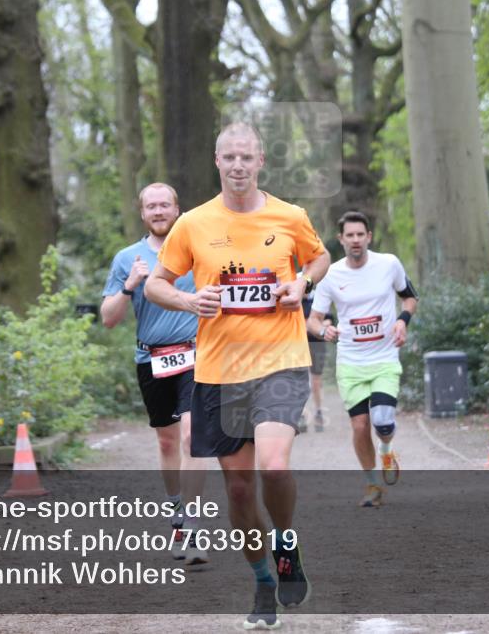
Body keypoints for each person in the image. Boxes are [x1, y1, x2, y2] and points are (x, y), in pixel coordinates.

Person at [145, 123, 330, 630]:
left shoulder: (289, 216)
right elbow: (158, 285)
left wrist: (301, 282)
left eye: (247, 157)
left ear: (261, 160)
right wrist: (188, 299)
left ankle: (286, 545)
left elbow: (319, 258)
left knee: (273, 466)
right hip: (220, 372)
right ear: (217, 161)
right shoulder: (192, 223)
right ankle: (262, 581)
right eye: (230, 157)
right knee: (242, 492)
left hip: (280, 362)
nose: (239, 165)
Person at [101, 182, 209, 565]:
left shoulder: (198, 249)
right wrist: (130, 286)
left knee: (193, 436)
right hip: (152, 359)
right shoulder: (127, 258)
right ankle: (178, 512)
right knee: (167, 443)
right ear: (142, 213)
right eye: (152, 206)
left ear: (178, 209)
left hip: (196, 356)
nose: (159, 211)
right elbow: (109, 319)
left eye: (165, 204)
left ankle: (195, 524)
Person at [307, 211, 418, 508]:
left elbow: (410, 297)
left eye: (360, 234)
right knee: (358, 426)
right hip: (350, 362)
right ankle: (372, 485)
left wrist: (402, 321)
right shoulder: (331, 274)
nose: (355, 240)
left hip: (383, 356)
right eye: (350, 235)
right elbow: (313, 320)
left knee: (382, 420)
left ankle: (386, 448)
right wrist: (325, 330)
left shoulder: (389, 264)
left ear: (369, 237)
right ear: (341, 239)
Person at [299, 292, 331, 433]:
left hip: (317, 344)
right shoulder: (294, 299)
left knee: (316, 382)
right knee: (299, 382)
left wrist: (312, 327)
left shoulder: (319, 299)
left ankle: (318, 412)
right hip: (298, 345)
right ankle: (302, 415)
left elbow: (328, 321)